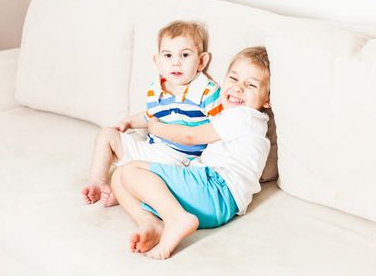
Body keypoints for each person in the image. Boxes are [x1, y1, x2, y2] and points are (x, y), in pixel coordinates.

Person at [111, 46, 271, 260]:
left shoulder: (245, 116)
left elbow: (190, 136)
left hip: (217, 189)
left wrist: (156, 128)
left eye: (251, 84)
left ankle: (177, 218)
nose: (238, 88)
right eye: (233, 78)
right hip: (212, 203)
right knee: (119, 178)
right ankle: (152, 224)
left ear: (267, 100)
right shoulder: (231, 116)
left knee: (130, 170)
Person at [81, 21, 222, 207]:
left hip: (178, 160)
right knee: (107, 134)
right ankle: (98, 182)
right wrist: (130, 122)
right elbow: (151, 116)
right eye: (168, 55)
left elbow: (219, 126)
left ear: (202, 61)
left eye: (185, 55)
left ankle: (123, 192)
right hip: (151, 150)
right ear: (157, 61)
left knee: (146, 178)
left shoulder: (207, 91)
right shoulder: (156, 90)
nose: (176, 62)